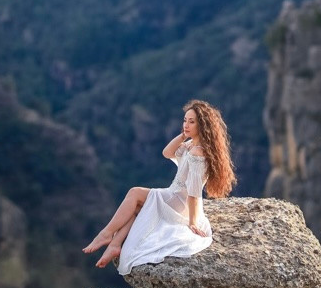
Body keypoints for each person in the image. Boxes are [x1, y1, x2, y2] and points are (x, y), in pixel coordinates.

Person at [83, 99, 236, 273]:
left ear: (203, 125)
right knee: (138, 207)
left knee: (135, 193)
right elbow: (167, 153)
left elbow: (194, 192)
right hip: (174, 195)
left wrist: (192, 222)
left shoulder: (197, 152)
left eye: (192, 122)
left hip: (180, 201)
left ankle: (107, 234)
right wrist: (183, 136)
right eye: (185, 120)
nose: (186, 125)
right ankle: (115, 244)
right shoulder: (191, 145)